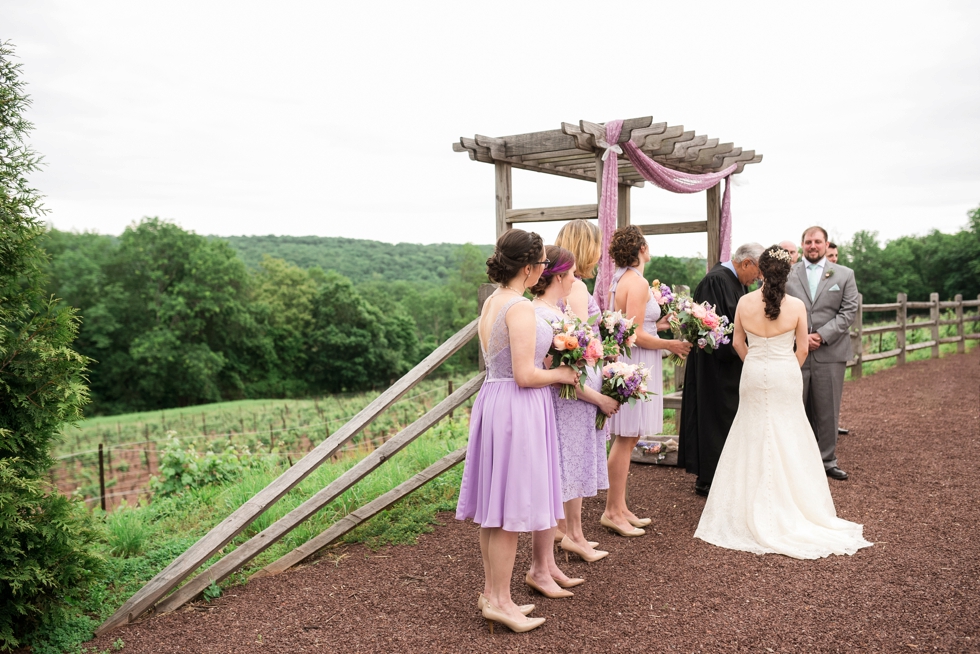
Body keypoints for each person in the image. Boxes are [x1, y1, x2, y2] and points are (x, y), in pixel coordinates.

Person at [694, 246, 873, 559]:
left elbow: (737, 342)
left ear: (761, 272)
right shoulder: (797, 306)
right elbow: (802, 349)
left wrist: (755, 362)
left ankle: (746, 507)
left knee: (750, 434)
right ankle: (790, 506)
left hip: (752, 374)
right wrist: (783, 364)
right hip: (785, 373)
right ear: (787, 273)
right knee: (788, 434)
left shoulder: (744, 302)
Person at [455, 229, 579, 634]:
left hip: (494, 400)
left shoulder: (493, 301)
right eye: (542, 263)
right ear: (527, 268)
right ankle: (501, 600)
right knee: (507, 511)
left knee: (494, 510)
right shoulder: (520, 308)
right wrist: (561, 372)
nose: (544, 269)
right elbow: (526, 374)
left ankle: (494, 595)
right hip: (517, 406)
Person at [531, 241, 619, 565]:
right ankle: (570, 537)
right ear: (557, 276)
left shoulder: (559, 311)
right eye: (569, 274)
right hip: (568, 403)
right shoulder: (541, 314)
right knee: (567, 469)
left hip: (578, 401)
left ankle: (576, 534)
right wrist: (597, 398)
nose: (574, 281)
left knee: (576, 467)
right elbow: (556, 369)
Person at [603, 226, 692, 537]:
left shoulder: (621, 280)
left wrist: (661, 322)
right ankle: (612, 510)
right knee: (626, 438)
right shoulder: (638, 283)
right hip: (636, 362)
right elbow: (636, 334)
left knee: (628, 437)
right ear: (640, 248)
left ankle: (621, 506)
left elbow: (634, 323)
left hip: (631, 360)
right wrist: (671, 344)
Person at [678, 243, 764, 497]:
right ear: (746, 262)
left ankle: (728, 473)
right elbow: (713, 330)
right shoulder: (715, 281)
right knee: (715, 418)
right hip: (715, 367)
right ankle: (710, 477)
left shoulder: (736, 282)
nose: (758, 278)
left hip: (731, 364)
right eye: (757, 272)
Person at [785, 227, 858, 480]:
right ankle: (798, 462)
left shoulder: (845, 274)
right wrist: (800, 337)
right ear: (802, 245)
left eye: (817, 241)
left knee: (828, 409)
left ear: (826, 245)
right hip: (796, 351)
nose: (812, 246)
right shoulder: (788, 273)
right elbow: (780, 307)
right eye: (808, 242)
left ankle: (827, 461)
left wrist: (821, 335)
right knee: (795, 406)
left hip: (831, 350)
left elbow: (849, 311)